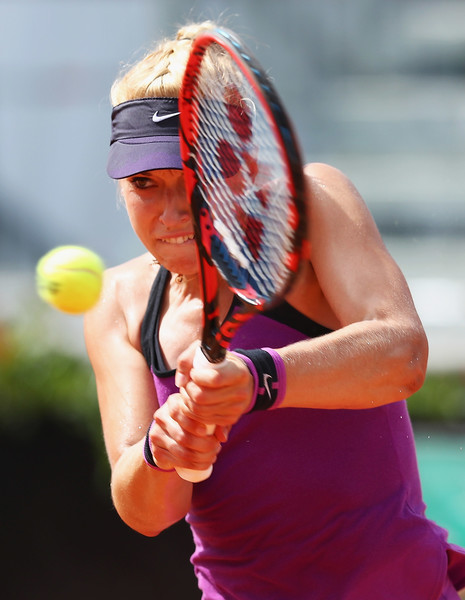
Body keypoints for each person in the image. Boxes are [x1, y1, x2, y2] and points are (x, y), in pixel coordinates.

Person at [84, 20, 465, 600]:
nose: (170, 213)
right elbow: (145, 512)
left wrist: (258, 377)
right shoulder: (117, 303)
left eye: (192, 178)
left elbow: (403, 353)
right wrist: (164, 449)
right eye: (143, 184)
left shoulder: (314, 203)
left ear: (235, 163)